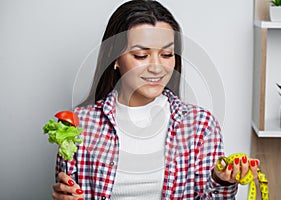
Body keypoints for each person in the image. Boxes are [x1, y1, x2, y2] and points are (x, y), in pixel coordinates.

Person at [52, 0, 259, 199]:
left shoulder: (200, 126)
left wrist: (220, 181)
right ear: (115, 58)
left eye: (167, 54)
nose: (157, 67)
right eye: (141, 55)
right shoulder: (79, 125)